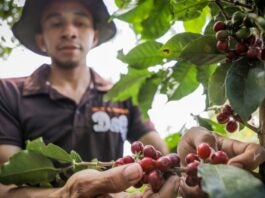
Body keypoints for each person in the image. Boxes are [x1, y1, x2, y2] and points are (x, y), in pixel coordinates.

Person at [0, 0, 169, 197]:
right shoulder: (8, 92)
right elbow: (5, 185)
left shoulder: (123, 95)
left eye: (80, 23)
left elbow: (161, 158)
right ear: (41, 40)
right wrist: (64, 195)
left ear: (95, 36)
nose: (69, 32)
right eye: (56, 24)